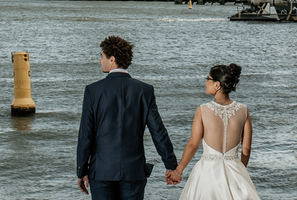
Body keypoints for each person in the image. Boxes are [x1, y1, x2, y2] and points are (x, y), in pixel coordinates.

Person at [76, 36, 178, 200]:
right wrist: (171, 165)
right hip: (133, 171)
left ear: (112, 59)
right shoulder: (144, 90)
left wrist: (81, 170)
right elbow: (158, 132)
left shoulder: (93, 91)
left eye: (102, 56)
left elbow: (85, 135)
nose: (99, 60)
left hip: (101, 172)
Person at [168, 63, 261, 200]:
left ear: (217, 85)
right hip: (235, 170)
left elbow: (193, 144)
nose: (205, 82)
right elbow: (246, 149)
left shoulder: (203, 110)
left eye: (208, 79)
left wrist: (178, 172)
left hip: (208, 172)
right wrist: (240, 171)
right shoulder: (243, 110)